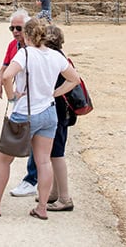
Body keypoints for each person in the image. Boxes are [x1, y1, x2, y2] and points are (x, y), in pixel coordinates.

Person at [0, 18, 79, 220]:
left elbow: (5, 76)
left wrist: (12, 96)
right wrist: (54, 93)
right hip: (49, 112)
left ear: (27, 36)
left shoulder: (25, 53)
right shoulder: (55, 56)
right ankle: (43, 208)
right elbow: (74, 79)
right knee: (44, 161)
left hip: (25, 113)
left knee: (4, 160)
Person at [0, 9, 38, 198]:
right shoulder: (13, 45)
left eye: (18, 28)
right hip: (22, 102)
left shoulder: (36, 47)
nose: (15, 31)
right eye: (12, 28)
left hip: (34, 102)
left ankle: (32, 180)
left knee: (34, 142)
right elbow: (5, 66)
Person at [44, 24, 75, 212]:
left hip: (58, 110)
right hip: (59, 111)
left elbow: (74, 79)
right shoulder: (59, 56)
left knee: (57, 154)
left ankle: (65, 197)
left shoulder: (56, 58)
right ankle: (55, 193)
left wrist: (54, 94)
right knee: (52, 153)